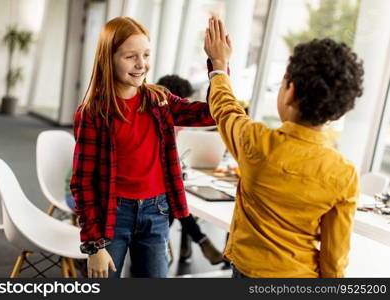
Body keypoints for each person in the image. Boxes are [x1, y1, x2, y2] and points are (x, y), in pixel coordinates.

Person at [204, 17, 363, 277]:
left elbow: (224, 108)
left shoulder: (254, 140)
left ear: (290, 91)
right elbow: (334, 258)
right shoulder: (344, 173)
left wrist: (219, 66)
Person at [70, 17, 216, 279]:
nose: (141, 64)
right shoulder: (93, 113)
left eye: (146, 54)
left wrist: (217, 67)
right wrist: (94, 246)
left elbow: (211, 114)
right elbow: (83, 183)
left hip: (156, 211)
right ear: (109, 58)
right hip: (112, 215)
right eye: (130, 56)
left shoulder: (159, 99)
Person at [157, 74, 224, 265]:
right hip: (150, 191)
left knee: (176, 201)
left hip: (166, 180)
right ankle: (199, 241)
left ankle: (183, 243)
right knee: (174, 202)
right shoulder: (162, 121)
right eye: (183, 100)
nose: (186, 104)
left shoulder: (177, 124)